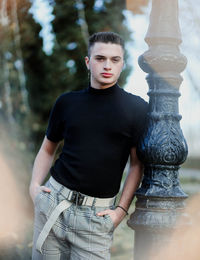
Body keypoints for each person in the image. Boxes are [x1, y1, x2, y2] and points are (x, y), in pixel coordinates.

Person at [29, 31, 148, 260]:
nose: (107, 65)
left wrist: (120, 211)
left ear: (122, 64)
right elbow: (47, 149)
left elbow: (136, 166)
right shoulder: (67, 102)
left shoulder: (136, 109)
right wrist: (34, 187)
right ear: (88, 62)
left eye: (115, 60)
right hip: (53, 205)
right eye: (100, 58)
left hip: (96, 219)